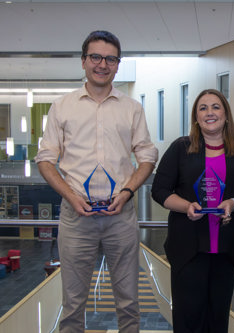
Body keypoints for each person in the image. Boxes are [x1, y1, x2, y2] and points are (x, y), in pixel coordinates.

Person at [35, 30, 158, 332]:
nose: (103, 64)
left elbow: (147, 155)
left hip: (121, 216)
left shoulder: (132, 108)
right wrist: (70, 195)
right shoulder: (62, 107)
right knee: (73, 303)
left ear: (118, 64)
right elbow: (45, 160)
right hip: (75, 217)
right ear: (83, 62)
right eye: (96, 57)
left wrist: (129, 191)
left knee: (129, 302)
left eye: (110, 58)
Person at [151, 89, 234, 332]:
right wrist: (186, 206)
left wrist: (233, 202)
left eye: (215, 106)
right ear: (196, 117)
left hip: (226, 250)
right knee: (188, 320)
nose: (209, 112)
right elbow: (159, 190)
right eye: (203, 108)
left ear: (226, 114)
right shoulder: (181, 148)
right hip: (188, 249)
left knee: (218, 320)